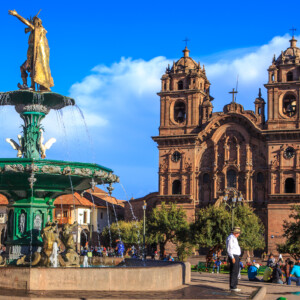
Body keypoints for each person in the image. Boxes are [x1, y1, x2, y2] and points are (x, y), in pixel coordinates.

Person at [226, 226, 242, 292]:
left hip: (236, 256)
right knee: (234, 271)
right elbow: (229, 249)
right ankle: (233, 286)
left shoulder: (234, 238)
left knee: (236, 270)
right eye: (238, 233)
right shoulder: (231, 238)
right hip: (233, 256)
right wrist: (232, 257)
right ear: (235, 233)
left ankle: (234, 285)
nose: (239, 234)